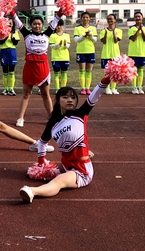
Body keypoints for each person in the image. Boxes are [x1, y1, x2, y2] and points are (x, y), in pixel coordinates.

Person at [19, 76, 109, 204]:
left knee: (59, 181)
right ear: (58, 100)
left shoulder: (80, 114)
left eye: (73, 97)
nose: (70, 100)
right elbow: (42, 142)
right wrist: (41, 162)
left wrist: (105, 81)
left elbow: (95, 95)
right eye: (65, 97)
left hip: (82, 169)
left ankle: (33, 191)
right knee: (59, 176)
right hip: (67, 166)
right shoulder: (53, 124)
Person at [10, 9, 62, 128]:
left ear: (42, 25)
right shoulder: (26, 34)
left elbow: (55, 20)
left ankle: (51, 118)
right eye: (34, 24)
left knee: (46, 94)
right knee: (26, 94)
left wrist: (61, 11)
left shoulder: (47, 34)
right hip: (30, 67)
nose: (37, 26)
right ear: (31, 25)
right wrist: (11, 11)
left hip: (43, 68)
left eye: (39, 24)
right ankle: (20, 118)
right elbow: (17, 21)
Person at [74, 12, 97, 95]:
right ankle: (83, 88)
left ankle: (88, 88)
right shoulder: (77, 28)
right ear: (81, 18)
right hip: (81, 51)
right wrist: (84, 36)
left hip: (90, 51)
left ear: (89, 18)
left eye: (87, 17)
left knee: (89, 71)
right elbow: (76, 40)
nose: (85, 19)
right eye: (83, 17)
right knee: (82, 71)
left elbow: (95, 40)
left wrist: (90, 35)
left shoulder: (93, 28)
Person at [128, 11, 145, 94]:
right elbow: (133, 39)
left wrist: (142, 30)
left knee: (141, 69)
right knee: (133, 70)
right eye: (136, 17)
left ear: (142, 17)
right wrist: (138, 30)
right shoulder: (131, 28)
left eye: (139, 16)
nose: (138, 18)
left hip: (143, 52)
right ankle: (134, 87)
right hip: (133, 52)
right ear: (134, 18)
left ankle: (139, 86)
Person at [99, 14, 122, 95]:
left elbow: (116, 41)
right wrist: (106, 32)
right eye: (108, 19)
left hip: (115, 54)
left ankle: (113, 88)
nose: (110, 21)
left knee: (115, 72)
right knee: (107, 73)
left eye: (111, 19)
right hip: (106, 54)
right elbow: (104, 42)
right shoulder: (103, 31)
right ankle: (107, 88)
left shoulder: (119, 30)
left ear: (115, 20)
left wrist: (113, 32)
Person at [0, 19, 20, 96]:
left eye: (10, 23)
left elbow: (15, 43)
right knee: (5, 71)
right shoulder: (1, 32)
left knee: (11, 71)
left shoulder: (15, 32)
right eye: (7, 23)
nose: (9, 24)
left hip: (12, 51)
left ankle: (11, 88)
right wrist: (6, 35)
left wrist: (12, 36)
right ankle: (6, 88)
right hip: (3, 51)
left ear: (13, 24)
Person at [49, 19, 71, 93]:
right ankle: (57, 89)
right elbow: (52, 46)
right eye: (57, 25)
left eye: (60, 25)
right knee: (56, 73)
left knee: (64, 73)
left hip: (65, 57)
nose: (59, 27)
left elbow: (68, 45)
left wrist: (65, 44)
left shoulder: (66, 35)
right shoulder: (52, 35)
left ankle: (63, 89)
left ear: (63, 26)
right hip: (55, 57)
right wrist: (58, 45)